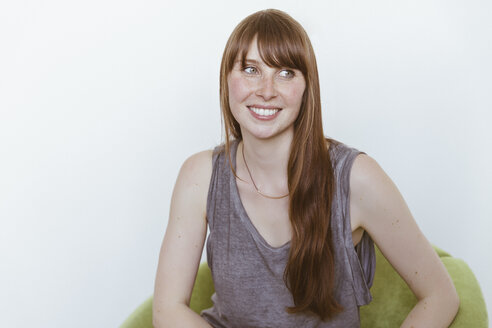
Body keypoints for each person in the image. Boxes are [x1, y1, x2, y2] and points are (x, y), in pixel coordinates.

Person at [152, 8, 459, 328]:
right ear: (227, 80)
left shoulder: (355, 179)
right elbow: (167, 309)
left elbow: (440, 296)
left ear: (306, 87)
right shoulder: (199, 176)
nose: (266, 90)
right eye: (250, 69)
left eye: (285, 72)